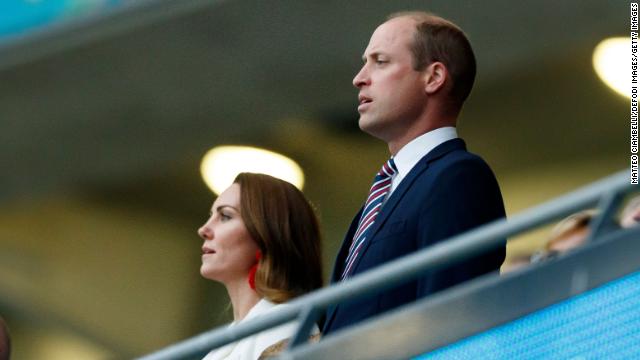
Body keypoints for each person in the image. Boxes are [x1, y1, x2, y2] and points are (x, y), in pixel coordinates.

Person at [323, 11, 506, 334]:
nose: (359, 77)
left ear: (433, 77)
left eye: (380, 61)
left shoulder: (458, 177)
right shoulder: (384, 192)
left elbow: (451, 321)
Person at [197, 173, 323, 359]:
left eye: (225, 216)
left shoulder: (285, 323)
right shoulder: (221, 346)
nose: (203, 230)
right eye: (211, 215)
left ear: (267, 235)